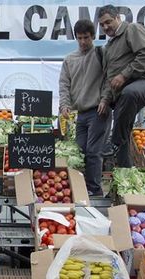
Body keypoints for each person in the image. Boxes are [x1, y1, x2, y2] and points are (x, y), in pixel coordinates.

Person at [97, 5, 145, 167]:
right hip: (124, 95)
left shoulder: (133, 29)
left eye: (108, 22)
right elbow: (109, 77)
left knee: (129, 93)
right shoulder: (110, 47)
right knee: (124, 132)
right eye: (102, 25)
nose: (106, 27)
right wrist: (105, 99)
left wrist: (124, 74)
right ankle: (123, 178)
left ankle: (115, 141)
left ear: (118, 18)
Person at [59, 19, 110, 197]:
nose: (82, 42)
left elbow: (109, 79)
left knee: (93, 152)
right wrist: (64, 104)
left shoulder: (101, 54)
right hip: (79, 113)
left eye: (86, 38)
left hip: (98, 111)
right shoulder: (69, 59)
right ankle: (79, 190)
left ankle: (94, 191)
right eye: (79, 38)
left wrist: (106, 99)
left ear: (93, 36)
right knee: (78, 151)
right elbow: (64, 84)